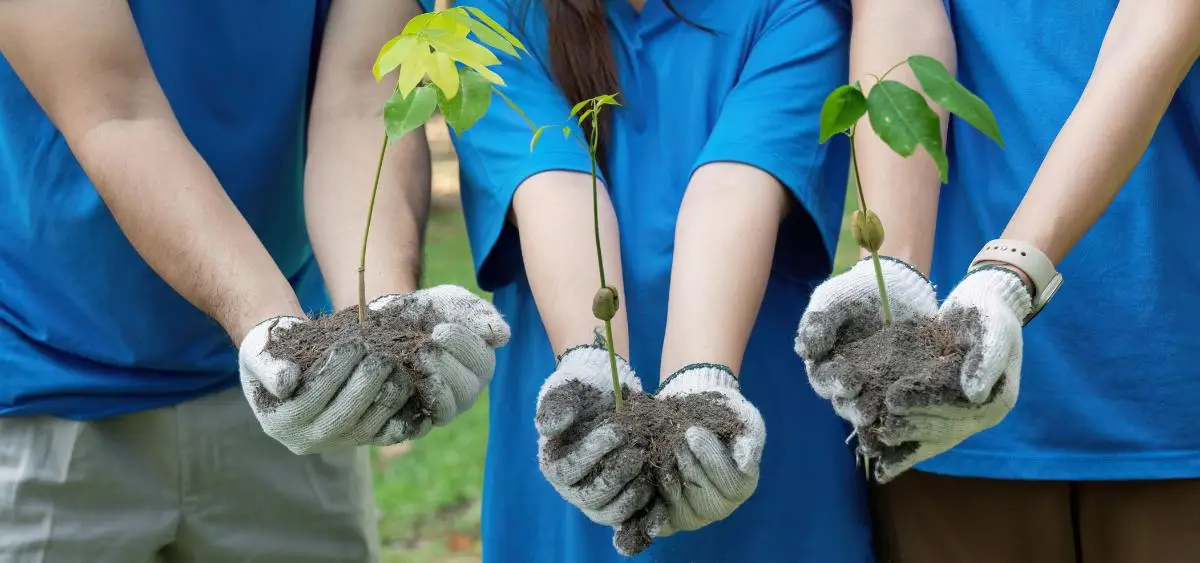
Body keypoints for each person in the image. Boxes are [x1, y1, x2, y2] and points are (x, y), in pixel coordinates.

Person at [0, 1, 507, 561]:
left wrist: (384, 324)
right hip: (43, 385)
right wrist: (275, 335)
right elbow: (114, 111)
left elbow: (363, 101)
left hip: (293, 407)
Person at [423, 0, 874, 561]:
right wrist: (591, 369)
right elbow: (551, 187)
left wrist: (700, 385)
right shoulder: (484, 20)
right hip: (574, 455)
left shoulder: (796, 10)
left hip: (764, 454)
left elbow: (739, 185)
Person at [796, 0, 1200, 561]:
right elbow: (899, 16)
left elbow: (1159, 24)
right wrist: (894, 274)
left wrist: (1009, 274)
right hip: (949, 389)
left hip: (1171, 361)